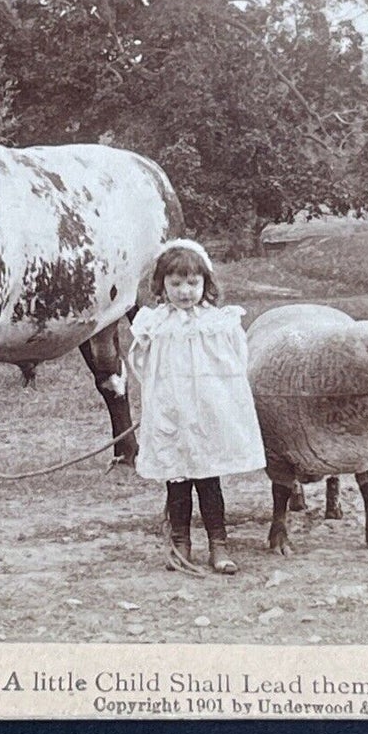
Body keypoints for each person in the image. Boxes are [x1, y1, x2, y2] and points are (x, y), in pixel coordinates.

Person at [127, 238, 266, 575]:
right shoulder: (155, 324)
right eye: (175, 284)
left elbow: (235, 363)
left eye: (193, 283)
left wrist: (221, 398)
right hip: (171, 414)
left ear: (206, 283)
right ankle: (180, 542)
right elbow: (141, 366)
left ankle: (219, 544)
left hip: (206, 413)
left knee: (208, 479)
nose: (185, 291)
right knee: (176, 481)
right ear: (161, 286)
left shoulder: (218, 323)